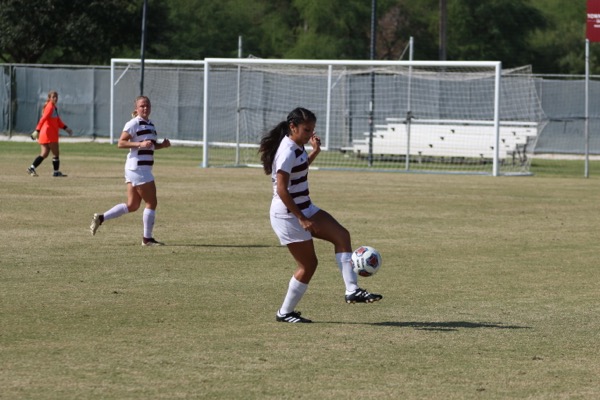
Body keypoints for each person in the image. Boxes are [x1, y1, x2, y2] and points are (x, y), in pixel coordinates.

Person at [259, 107, 382, 323]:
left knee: (342, 236)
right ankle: (285, 313)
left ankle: (352, 290)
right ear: (292, 127)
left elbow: (300, 167)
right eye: (306, 130)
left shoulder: (296, 147)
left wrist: (314, 152)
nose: (309, 135)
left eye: (312, 130)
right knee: (308, 265)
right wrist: (301, 218)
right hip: (288, 215)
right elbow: (281, 189)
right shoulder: (287, 150)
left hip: (305, 207)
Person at [89, 95, 171, 246]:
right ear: (136, 109)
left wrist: (162, 145)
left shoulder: (151, 125)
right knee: (151, 202)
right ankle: (147, 239)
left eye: (147, 105)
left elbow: (150, 145)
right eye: (142, 106)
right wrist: (139, 144)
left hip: (137, 168)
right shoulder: (133, 123)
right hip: (139, 168)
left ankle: (101, 218)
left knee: (132, 205)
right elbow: (121, 143)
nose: (145, 108)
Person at [27, 91, 73, 177]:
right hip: (49, 134)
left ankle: (31, 168)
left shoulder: (53, 107)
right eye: (53, 97)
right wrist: (37, 130)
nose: (55, 98)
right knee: (56, 153)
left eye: (56, 97)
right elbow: (43, 119)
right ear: (49, 98)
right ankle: (56, 172)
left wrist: (66, 128)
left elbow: (57, 120)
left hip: (45, 134)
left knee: (44, 154)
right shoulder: (50, 107)